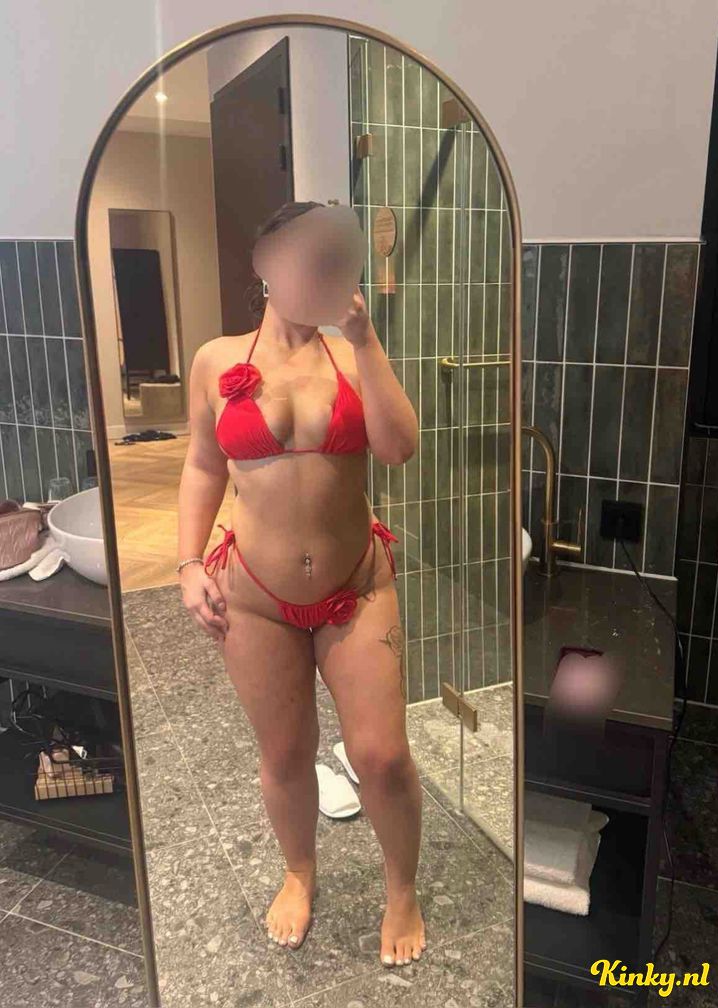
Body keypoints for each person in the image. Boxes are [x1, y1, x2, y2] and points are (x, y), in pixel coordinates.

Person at [176, 202, 425, 967]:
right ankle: (299, 871)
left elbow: (400, 448)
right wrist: (187, 564)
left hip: (357, 587)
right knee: (285, 755)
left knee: (381, 755)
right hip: (255, 597)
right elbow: (203, 465)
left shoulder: (351, 353)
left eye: (329, 261)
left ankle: (402, 888)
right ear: (264, 266)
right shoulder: (216, 360)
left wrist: (365, 339)